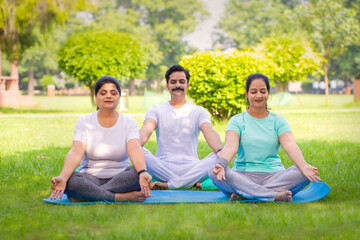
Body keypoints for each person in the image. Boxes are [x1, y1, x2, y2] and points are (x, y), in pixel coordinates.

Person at [209, 73, 321, 202]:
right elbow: (231, 147)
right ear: (246, 94)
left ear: (268, 93)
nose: (258, 95)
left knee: (302, 171)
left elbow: (290, 146)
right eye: (253, 92)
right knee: (212, 171)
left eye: (263, 91)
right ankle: (272, 195)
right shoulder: (237, 121)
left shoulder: (279, 121)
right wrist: (222, 164)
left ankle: (246, 194)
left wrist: (303, 166)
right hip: (242, 177)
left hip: (275, 176)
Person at [50, 76, 152, 202]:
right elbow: (76, 151)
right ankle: (118, 197)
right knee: (71, 181)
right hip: (90, 177)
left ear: (119, 98)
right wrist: (63, 177)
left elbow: (135, 147)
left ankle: (87, 194)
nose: (108, 96)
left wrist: (142, 172)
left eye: (113, 93)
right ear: (96, 97)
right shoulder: (84, 122)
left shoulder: (129, 122)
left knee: (138, 175)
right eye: (103, 93)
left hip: (121, 178)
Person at [140, 65, 223, 189]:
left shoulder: (198, 111)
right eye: (173, 82)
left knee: (219, 154)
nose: (177, 85)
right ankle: (187, 183)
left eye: (182, 82)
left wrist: (221, 152)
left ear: (188, 85)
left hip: (192, 168)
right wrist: (134, 146)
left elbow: (209, 131)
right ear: (167, 86)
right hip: (163, 167)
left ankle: (171, 184)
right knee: (137, 148)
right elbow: (147, 128)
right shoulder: (156, 110)